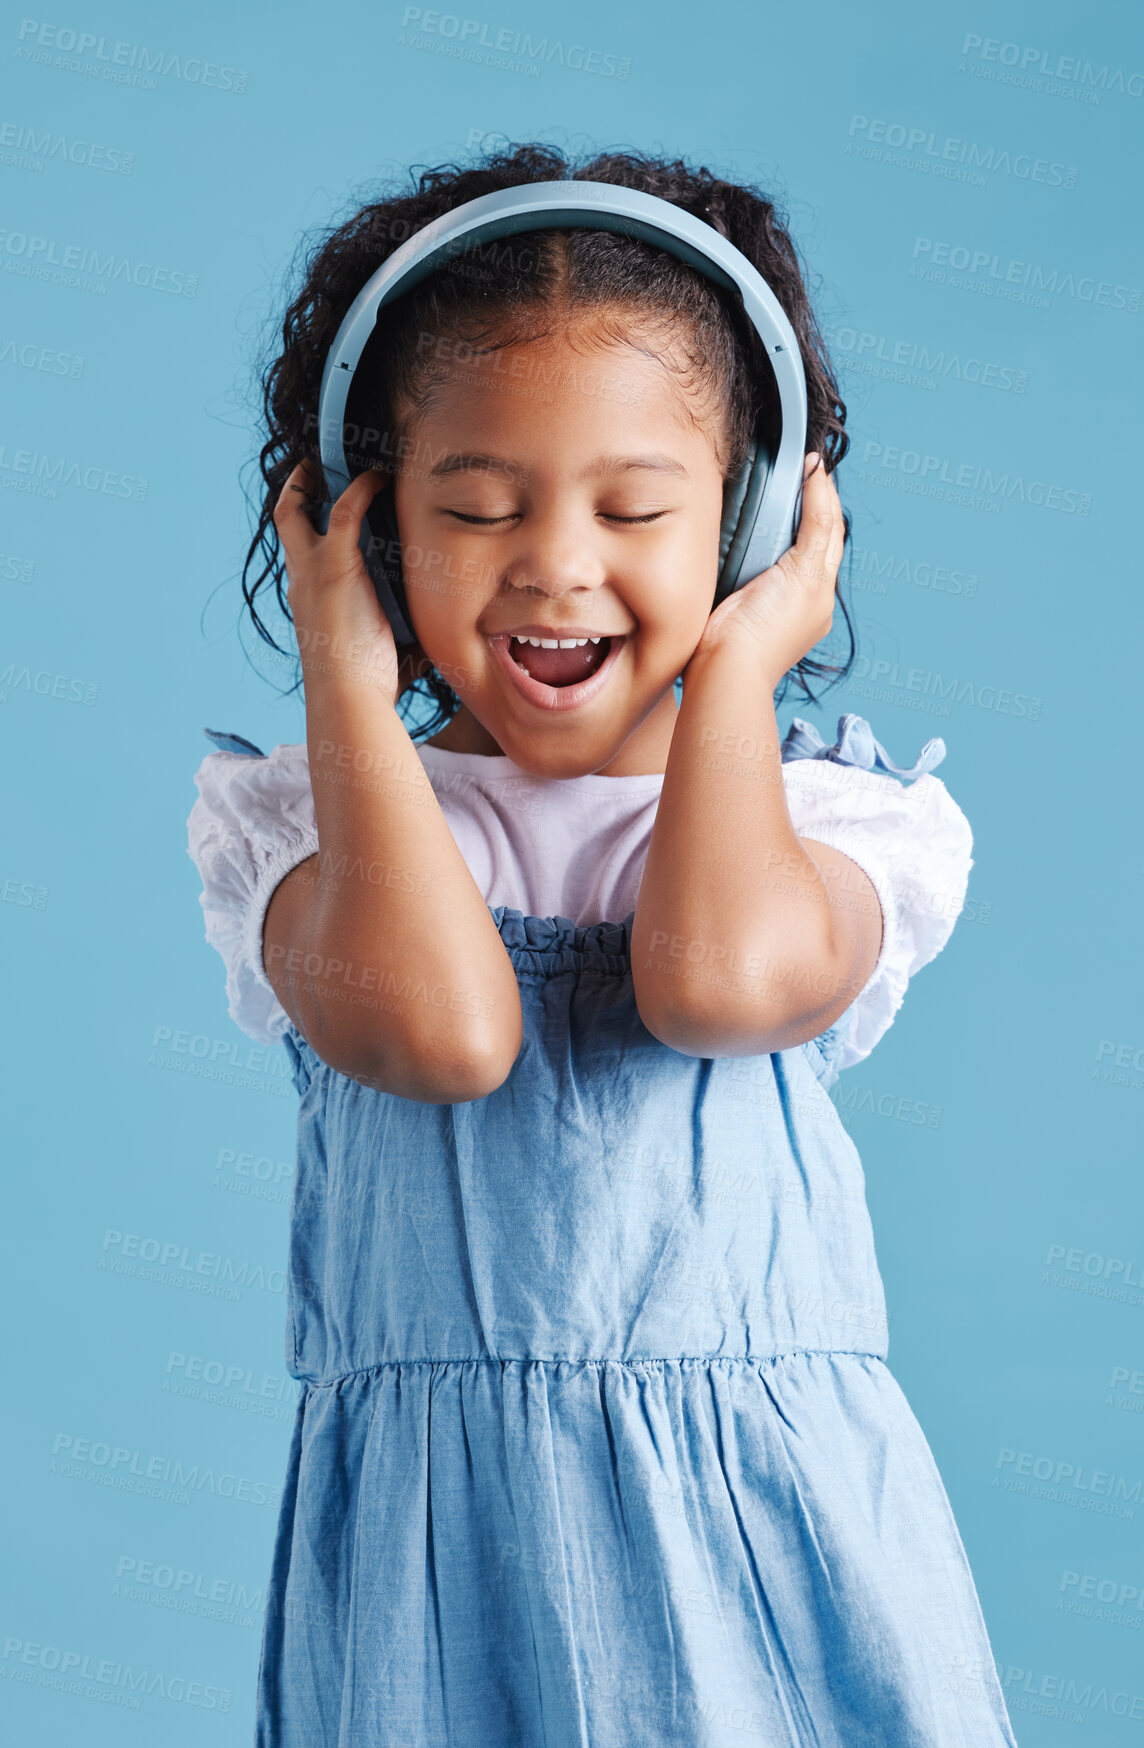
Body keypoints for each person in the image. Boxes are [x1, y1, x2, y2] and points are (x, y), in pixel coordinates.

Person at [187, 142, 1018, 1746]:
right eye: (476, 506)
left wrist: (737, 678)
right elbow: (443, 1035)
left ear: (756, 514)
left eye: (636, 508)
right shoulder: (319, 838)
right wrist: (346, 692)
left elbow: (712, 988)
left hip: (768, 1539)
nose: (557, 561)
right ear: (369, 532)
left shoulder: (834, 833)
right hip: (443, 1562)